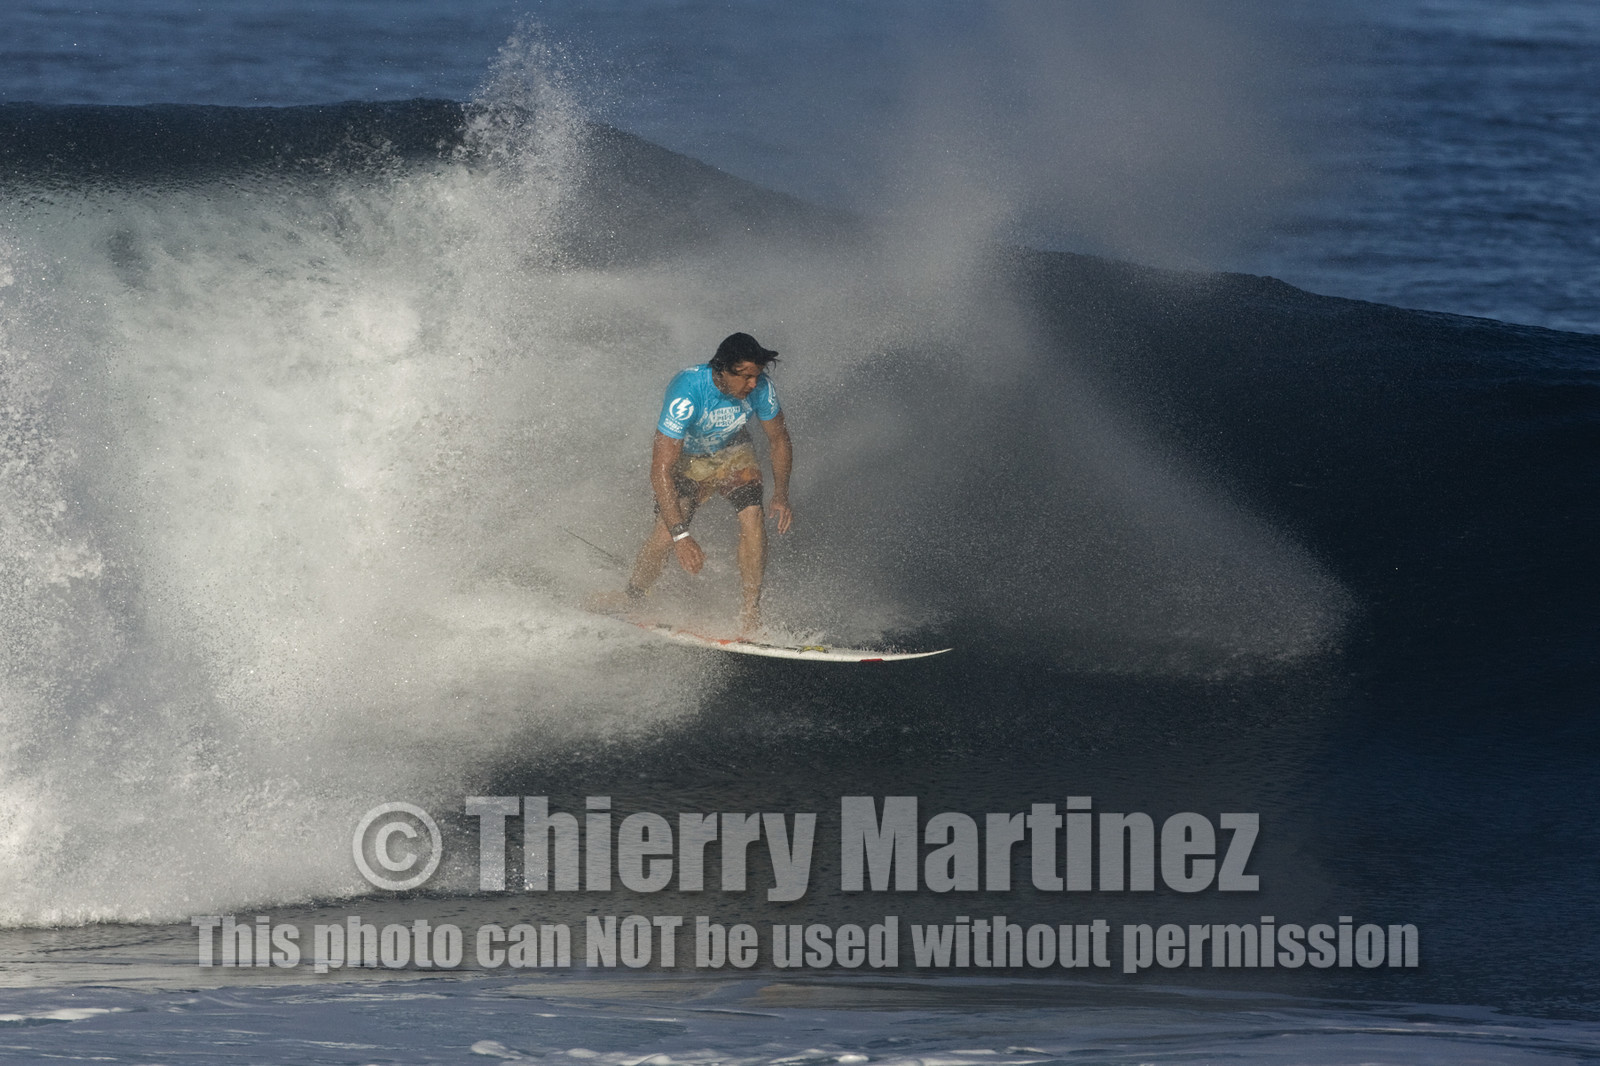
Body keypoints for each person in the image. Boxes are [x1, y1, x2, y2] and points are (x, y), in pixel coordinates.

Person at [623, 332, 793, 634]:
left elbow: (778, 439)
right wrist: (681, 535)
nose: (754, 384)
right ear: (722, 370)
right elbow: (660, 469)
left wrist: (780, 494)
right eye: (746, 377)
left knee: (753, 517)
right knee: (664, 535)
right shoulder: (688, 390)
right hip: (687, 458)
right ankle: (633, 596)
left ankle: (750, 612)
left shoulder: (761, 389)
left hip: (732, 451)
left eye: (757, 376)